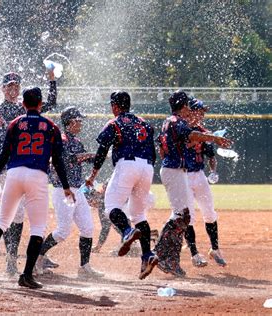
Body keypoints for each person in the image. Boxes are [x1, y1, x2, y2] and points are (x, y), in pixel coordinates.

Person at [0, 87, 75, 289]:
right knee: (37, 227)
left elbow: (3, 156)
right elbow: (59, 160)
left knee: (2, 220)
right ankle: (26, 275)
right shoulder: (51, 126)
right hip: (37, 175)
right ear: (40, 104)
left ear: (23, 104)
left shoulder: (15, 123)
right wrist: (66, 187)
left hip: (14, 174)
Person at [0, 61, 58, 275]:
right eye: (9, 86)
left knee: (16, 215)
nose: (13, 89)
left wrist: (52, 79)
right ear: (2, 88)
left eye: (16, 86)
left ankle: (11, 259)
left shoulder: (23, 109)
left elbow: (51, 102)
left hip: (15, 169)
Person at [154, 90, 232, 277]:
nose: (192, 109)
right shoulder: (176, 122)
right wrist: (215, 138)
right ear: (184, 106)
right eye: (189, 105)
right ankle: (162, 255)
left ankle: (166, 257)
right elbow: (190, 136)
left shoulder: (172, 121)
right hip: (177, 171)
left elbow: (169, 146)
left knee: (183, 215)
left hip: (179, 171)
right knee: (181, 216)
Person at [85, 91, 158, 280]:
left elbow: (102, 150)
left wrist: (93, 175)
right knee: (139, 214)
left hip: (127, 165)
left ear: (115, 106)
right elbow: (154, 153)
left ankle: (126, 231)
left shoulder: (115, 122)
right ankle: (147, 255)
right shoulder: (144, 123)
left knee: (111, 207)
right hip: (148, 167)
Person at [35, 106, 104, 278]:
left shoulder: (77, 141)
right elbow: (68, 159)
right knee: (63, 231)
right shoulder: (62, 139)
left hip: (77, 190)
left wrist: (103, 153)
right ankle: (38, 257)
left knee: (88, 228)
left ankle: (84, 267)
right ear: (69, 122)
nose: (80, 123)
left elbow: (87, 160)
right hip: (62, 191)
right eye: (78, 120)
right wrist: (89, 154)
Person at [183, 98, 227, 267]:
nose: (202, 114)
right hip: (183, 176)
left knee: (209, 213)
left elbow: (211, 156)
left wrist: (213, 170)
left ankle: (215, 249)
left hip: (199, 175)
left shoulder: (204, 131)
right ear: (190, 111)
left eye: (203, 112)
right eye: (199, 111)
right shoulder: (181, 128)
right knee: (189, 217)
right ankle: (194, 254)